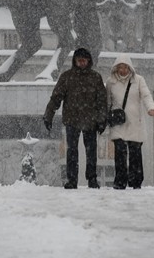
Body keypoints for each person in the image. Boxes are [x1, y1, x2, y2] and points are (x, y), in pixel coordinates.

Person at [43, 47, 108, 189]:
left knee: (91, 152)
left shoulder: (95, 77)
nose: (82, 63)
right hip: (72, 120)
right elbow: (56, 97)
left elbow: (102, 101)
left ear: (89, 61)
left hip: (90, 121)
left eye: (84, 60)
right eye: (79, 61)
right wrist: (49, 115)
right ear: (75, 61)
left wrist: (102, 120)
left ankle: (92, 179)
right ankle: (72, 180)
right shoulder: (67, 77)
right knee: (72, 151)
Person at [105, 54, 154, 189]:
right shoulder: (110, 82)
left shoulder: (138, 80)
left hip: (135, 123)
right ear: (116, 68)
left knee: (135, 154)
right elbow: (107, 102)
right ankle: (120, 182)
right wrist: (105, 117)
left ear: (130, 68)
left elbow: (146, 95)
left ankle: (136, 181)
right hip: (119, 122)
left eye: (125, 67)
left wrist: (150, 107)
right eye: (120, 67)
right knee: (120, 153)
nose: (123, 70)